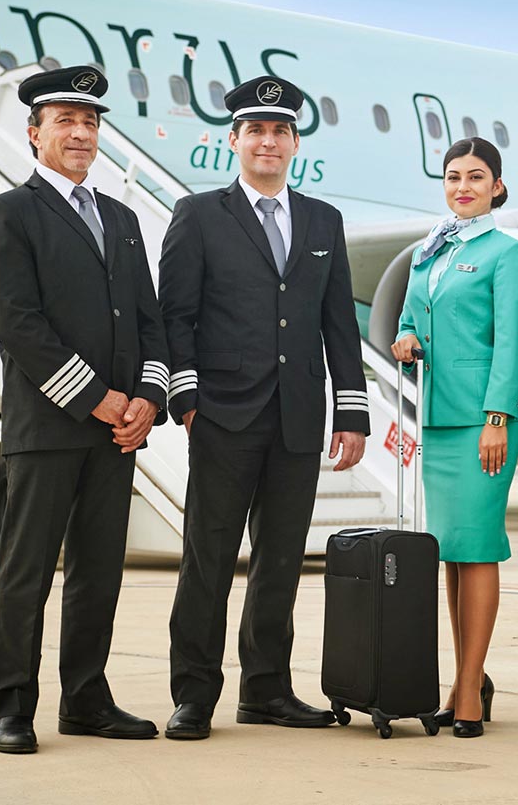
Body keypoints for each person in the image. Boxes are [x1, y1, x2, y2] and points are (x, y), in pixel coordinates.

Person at [160, 76, 369, 740]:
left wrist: (353, 412)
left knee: (280, 561)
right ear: (235, 140)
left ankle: (267, 689)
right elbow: (176, 314)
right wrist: (186, 398)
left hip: (297, 417)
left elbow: (339, 323)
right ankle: (194, 695)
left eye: (280, 131)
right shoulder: (199, 214)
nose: (268, 141)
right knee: (209, 560)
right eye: (256, 130)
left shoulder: (323, 220)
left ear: (295, 143)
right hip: (222, 413)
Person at [0, 65, 171, 755]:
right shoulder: (9, 213)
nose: (81, 133)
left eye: (89, 122)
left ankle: (85, 699)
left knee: (98, 571)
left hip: (116, 433)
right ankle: (10, 707)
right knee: (27, 571)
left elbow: (146, 321)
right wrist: (100, 399)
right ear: (35, 134)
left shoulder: (121, 219)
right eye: (65, 121)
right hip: (50, 428)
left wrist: (148, 398)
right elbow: (19, 324)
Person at [391, 138, 518, 739]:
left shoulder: (507, 253)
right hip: (438, 420)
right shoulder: (430, 251)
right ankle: (464, 678)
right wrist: (405, 338)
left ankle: (470, 687)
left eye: (476, 177)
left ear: (497, 187)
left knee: (476, 547)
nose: (463, 187)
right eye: (453, 176)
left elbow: (512, 340)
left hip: (482, 421)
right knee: (451, 552)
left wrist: (498, 416)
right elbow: (409, 317)